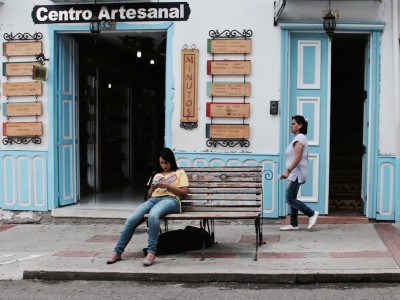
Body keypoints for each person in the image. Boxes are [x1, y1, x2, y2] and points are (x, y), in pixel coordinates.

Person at [106, 147, 189, 266]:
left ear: (172, 161)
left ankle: (151, 252)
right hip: (153, 200)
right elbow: (149, 195)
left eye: (166, 163)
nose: (164, 165)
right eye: (161, 163)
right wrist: (153, 187)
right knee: (131, 220)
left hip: (171, 200)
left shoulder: (180, 172)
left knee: (153, 215)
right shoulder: (156, 173)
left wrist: (168, 186)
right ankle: (117, 252)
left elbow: (184, 193)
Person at [279, 115, 319, 231]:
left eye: (293, 124)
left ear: (300, 126)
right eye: (291, 124)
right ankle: (294, 224)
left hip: (296, 173)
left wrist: (287, 171)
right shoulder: (298, 138)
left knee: (289, 198)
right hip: (294, 173)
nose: (291, 126)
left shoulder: (300, 138)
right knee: (293, 197)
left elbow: (297, 158)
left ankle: (311, 213)